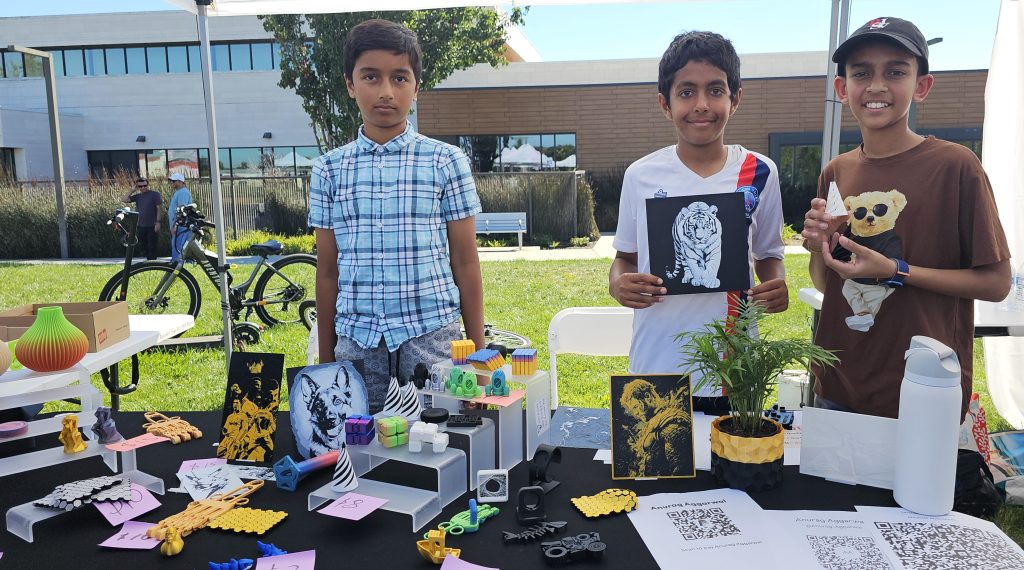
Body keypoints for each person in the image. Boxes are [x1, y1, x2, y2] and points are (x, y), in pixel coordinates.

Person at [802, 17, 1011, 419]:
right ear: (842, 89)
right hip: (839, 383)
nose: (877, 86)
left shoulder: (956, 167)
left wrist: (895, 270)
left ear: (921, 86)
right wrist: (817, 248)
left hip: (924, 388)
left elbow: (996, 283)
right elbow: (827, 283)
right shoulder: (836, 171)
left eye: (895, 72)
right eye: (862, 73)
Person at [609, 31, 787, 413]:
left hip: (735, 369)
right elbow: (624, 258)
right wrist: (617, 285)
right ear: (665, 103)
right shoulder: (640, 176)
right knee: (655, 450)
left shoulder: (759, 172)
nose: (702, 105)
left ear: (735, 99)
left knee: (734, 454)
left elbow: (769, 254)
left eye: (716, 90)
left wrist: (776, 285)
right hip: (656, 365)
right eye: (687, 92)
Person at [309, 19, 485, 390]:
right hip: (357, 344)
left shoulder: (445, 161)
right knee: (359, 429)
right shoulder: (328, 169)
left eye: (400, 78)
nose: (386, 91)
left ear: (416, 88)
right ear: (350, 84)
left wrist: (480, 357)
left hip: (433, 340)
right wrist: (326, 368)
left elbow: (466, 261)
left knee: (441, 427)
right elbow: (327, 272)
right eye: (371, 77)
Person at [121, 176, 162, 260]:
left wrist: (158, 222)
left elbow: (160, 208)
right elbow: (124, 199)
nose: (143, 188)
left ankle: (152, 263)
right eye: (140, 186)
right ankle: (148, 262)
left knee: (152, 246)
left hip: (152, 225)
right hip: (141, 225)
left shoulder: (155, 194)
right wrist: (132, 190)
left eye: (145, 185)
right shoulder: (138, 196)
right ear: (137, 187)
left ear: (148, 185)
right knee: (144, 246)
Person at [167, 172, 193, 262]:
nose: (172, 183)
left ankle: (176, 263)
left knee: (178, 246)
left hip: (181, 225)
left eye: (174, 181)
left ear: (181, 182)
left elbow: (182, 210)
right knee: (177, 245)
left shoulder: (183, 193)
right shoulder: (179, 192)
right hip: (179, 225)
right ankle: (176, 262)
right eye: (171, 181)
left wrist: (175, 225)